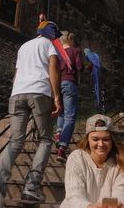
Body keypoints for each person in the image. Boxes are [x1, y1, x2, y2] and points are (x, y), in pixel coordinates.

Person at [0, 19, 63, 208]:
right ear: (52, 34)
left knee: (15, 141)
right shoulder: (50, 45)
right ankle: (30, 189)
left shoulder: (24, 47)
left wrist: (16, 91)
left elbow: (17, 73)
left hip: (17, 93)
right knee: (45, 139)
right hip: (39, 93)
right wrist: (57, 97)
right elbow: (53, 67)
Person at [60, 114, 124, 208]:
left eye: (106, 139)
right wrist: (90, 206)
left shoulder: (121, 163)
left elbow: (122, 196)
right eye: (95, 139)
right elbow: (74, 195)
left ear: (112, 141)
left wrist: (119, 205)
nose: (101, 144)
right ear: (87, 140)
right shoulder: (77, 158)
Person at [55, 31, 83, 163]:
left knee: (61, 111)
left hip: (57, 84)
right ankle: (62, 147)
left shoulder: (56, 52)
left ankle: (59, 133)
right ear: (71, 40)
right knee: (70, 116)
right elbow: (79, 67)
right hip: (69, 83)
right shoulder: (75, 50)